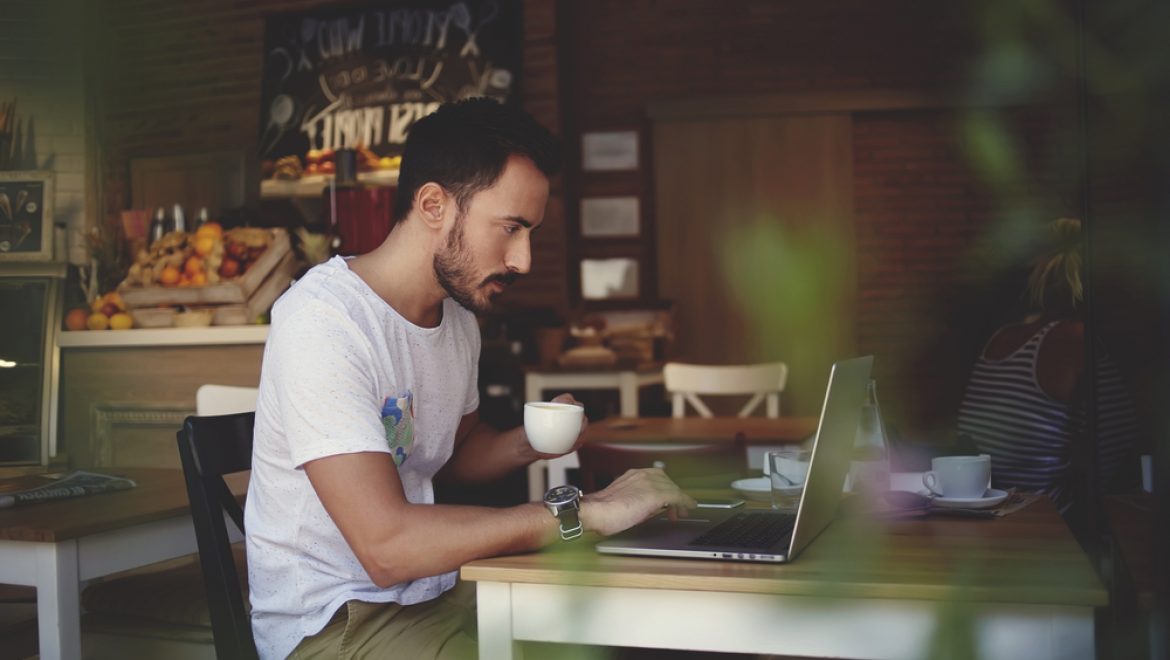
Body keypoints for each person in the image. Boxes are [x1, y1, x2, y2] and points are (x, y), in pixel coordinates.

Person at [244, 98, 694, 660]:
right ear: (433, 204)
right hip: (337, 623)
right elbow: (387, 547)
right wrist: (582, 511)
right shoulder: (324, 323)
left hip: (435, 589)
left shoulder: (457, 319)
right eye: (510, 228)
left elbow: (451, 453)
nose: (523, 259)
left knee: (633, 624)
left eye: (528, 232)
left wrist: (527, 444)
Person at [956, 217, 1137, 518]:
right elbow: (1119, 450)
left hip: (991, 515)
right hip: (1047, 521)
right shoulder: (1075, 338)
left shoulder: (1001, 338)